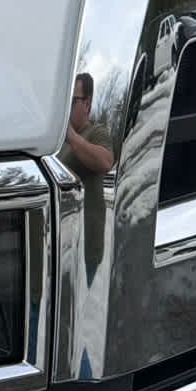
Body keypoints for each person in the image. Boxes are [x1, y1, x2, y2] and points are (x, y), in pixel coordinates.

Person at [59, 72, 115, 275]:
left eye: (72, 101)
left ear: (88, 102)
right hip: (63, 246)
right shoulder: (59, 144)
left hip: (87, 250)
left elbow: (105, 161)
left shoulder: (97, 132)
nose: (67, 108)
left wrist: (71, 136)